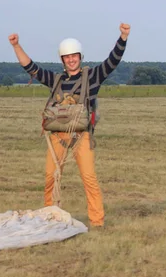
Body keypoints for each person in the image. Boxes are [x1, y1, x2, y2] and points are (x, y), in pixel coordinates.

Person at [8, 23, 131, 227]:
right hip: (57, 137)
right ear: (62, 60)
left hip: (82, 137)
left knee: (89, 179)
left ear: (80, 57)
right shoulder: (55, 80)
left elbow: (113, 61)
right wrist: (16, 46)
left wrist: (123, 37)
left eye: (74, 56)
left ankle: (97, 222)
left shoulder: (93, 76)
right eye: (67, 57)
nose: (71, 59)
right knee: (50, 178)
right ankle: (50, 217)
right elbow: (31, 67)